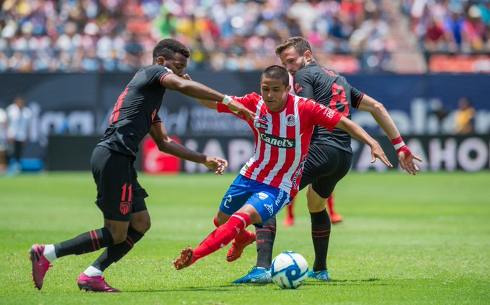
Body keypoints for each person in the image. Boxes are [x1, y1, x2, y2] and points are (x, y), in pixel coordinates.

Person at [29, 38, 254, 292]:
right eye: (178, 66)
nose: (182, 72)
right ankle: (47, 253)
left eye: (183, 67)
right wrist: (228, 100)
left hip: (121, 159)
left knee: (140, 223)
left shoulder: (149, 100)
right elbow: (181, 85)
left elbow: (165, 142)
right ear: (161, 61)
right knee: (115, 232)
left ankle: (92, 275)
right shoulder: (152, 72)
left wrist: (203, 159)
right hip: (113, 155)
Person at [235, 37, 422, 284]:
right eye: (284, 63)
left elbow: (307, 109)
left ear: (308, 56)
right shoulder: (339, 80)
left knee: (267, 196)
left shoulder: (303, 76)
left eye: (291, 61)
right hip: (343, 156)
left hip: (321, 149)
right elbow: (377, 106)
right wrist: (400, 145)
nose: (288, 68)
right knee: (316, 204)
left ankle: (261, 269)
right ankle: (320, 269)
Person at [172, 65, 392, 273]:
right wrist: (190, 87)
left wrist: (372, 142)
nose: (269, 95)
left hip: (280, 185)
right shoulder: (253, 103)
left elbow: (344, 122)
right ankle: (243, 239)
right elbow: (214, 103)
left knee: (242, 217)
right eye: (265, 89)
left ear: (288, 89)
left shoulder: (305, 108)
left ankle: (195, 255)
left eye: (276, 90)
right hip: (250, 175)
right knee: (221, 220)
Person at [6, 96, 32, 174]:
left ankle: (17, 167)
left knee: (19, 152)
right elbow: (7, 122)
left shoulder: (27, 112)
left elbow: (28, 126)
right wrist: (8, 133)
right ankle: (10, 166)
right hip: (12, 134)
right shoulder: (11, 110)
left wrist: (27, 135)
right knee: (11, 151)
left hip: (22, 135)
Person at [0, 106, 7, 173]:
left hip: (1, 137)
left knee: (2, 153)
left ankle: (2, 168)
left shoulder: (1, 112)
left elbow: (5, 124)